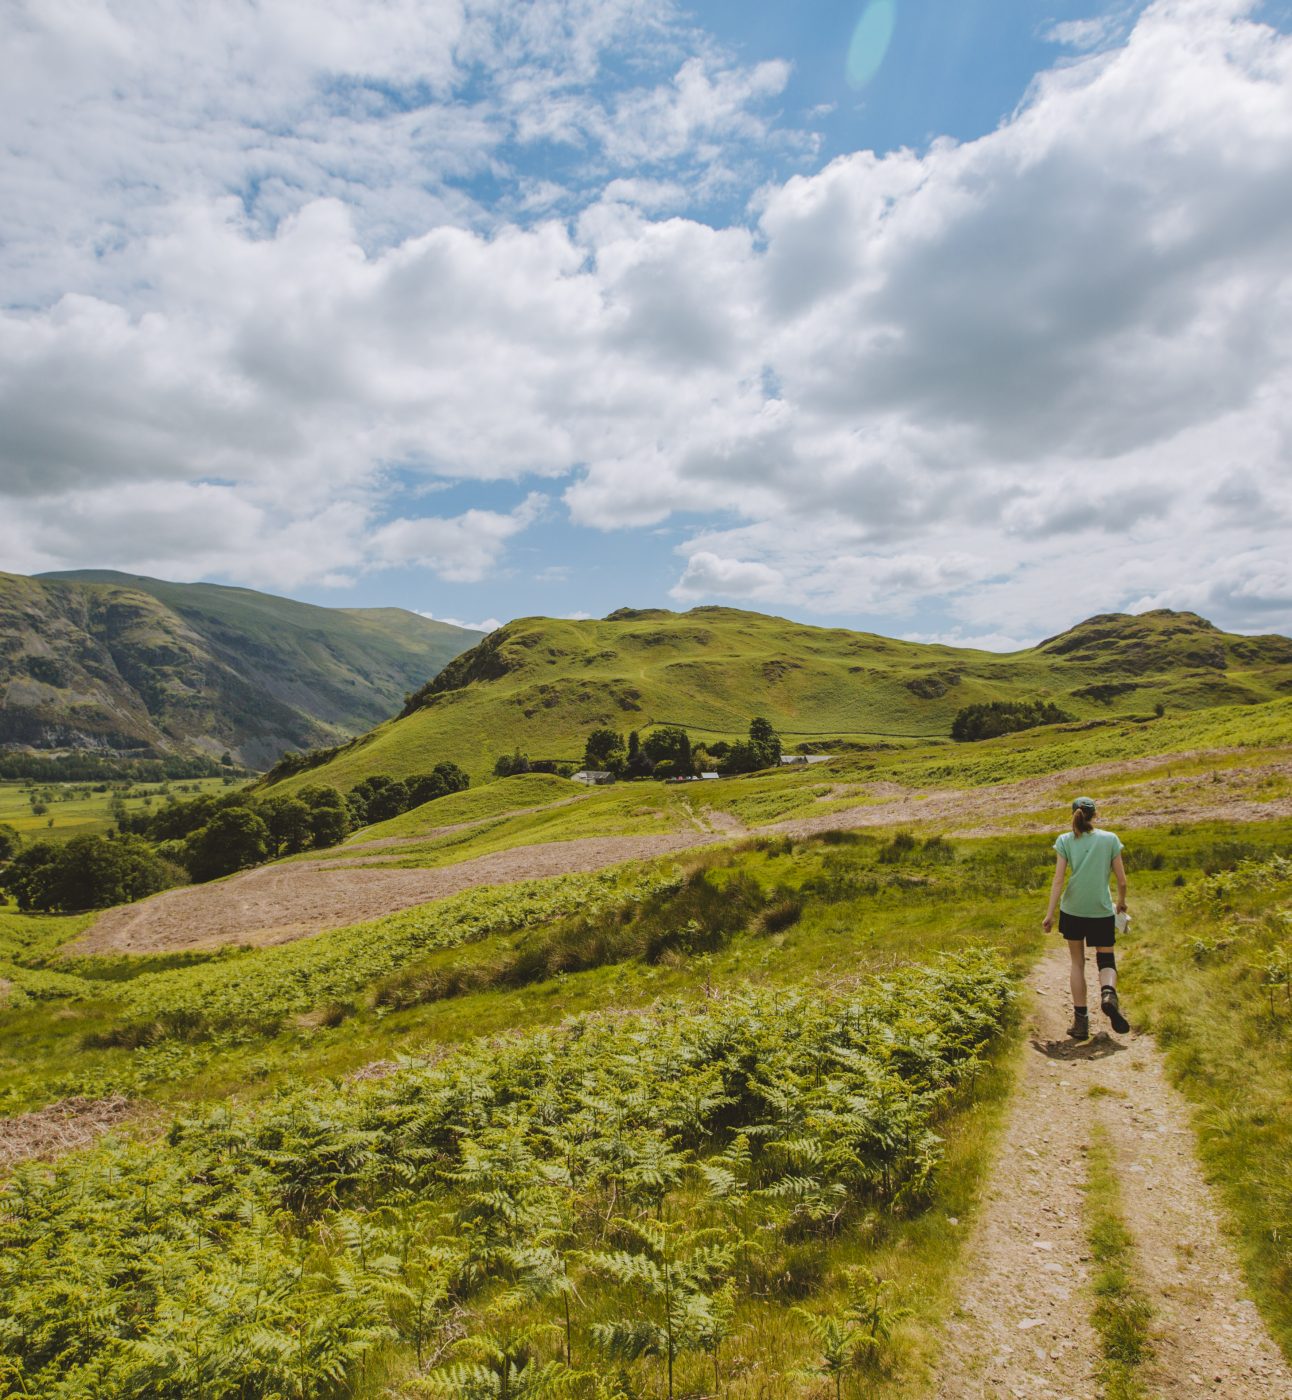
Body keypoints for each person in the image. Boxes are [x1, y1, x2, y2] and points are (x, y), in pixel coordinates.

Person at [1042, 795, 1130, 1039]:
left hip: (1072, 909)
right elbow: (1122, 881)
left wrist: (1050, 914)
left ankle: (1081, 1024)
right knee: (1106, 958)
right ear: (1095, 815)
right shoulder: (1110, 839)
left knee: (1077, 963)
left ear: (1073, 815)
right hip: (1101, 909)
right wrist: (1121, 903)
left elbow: (1058, 879)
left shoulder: (1065, 840)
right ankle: (1109, 993)